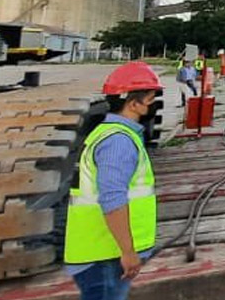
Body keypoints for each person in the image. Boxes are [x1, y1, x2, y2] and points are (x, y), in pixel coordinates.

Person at [65, 62, 162, 300]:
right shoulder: (118, 141)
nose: (153, 106)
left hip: (103, 252)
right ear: (133, 103)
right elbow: (112, 200)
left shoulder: (109, 133)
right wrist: (128, 252)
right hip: (106, 256)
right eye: (150, 100)